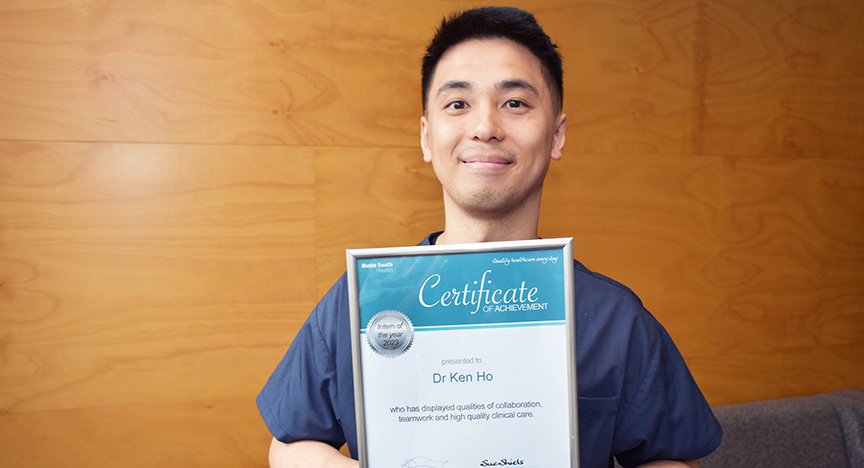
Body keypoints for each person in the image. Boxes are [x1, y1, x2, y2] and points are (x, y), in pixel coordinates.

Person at [257, 6, 722, 468]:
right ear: (426, 136)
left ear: (557, 135)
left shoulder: (613, 321)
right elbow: (291, 444)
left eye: (515, 103)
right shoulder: (363, 300)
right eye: (458, 104)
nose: (485, 127)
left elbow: (673, 459)